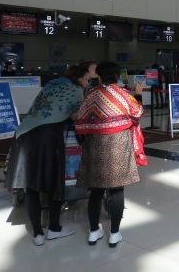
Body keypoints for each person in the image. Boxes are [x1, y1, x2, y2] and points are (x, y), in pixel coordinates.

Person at [4, 65, 90, 245]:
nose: (87, 83)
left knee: (30, 185)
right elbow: (76, 117)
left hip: (23, 134)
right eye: (86, 79)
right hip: (47, 137)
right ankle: (54, 229)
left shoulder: (50, 86)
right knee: (54, 183)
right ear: (79, 78)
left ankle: (37, 234)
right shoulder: (76, 90)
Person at [74, 62, 145, 248]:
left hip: (95, 145)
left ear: (100, 76)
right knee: (117, 190)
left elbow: (80, 119)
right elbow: (137, 114)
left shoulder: (91, 94)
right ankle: (114, 233)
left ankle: (93, 232)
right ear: (117, 76)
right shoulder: (123, 95)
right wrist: (138, 94)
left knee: (96, 191)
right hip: (119, 144)